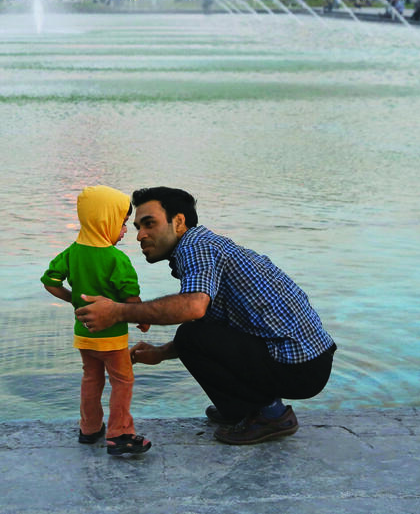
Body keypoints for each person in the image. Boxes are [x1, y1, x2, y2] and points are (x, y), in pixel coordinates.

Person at [75, 187, 336, 445]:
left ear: (179, 222)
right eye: (137, 227)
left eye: (149, 224)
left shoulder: (195, 247)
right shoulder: (206, 245)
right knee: (193, 335)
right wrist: (161, 353)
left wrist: (117, 312)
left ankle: (271, 414)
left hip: (298, 364)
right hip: (306, 360)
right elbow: (211, 324)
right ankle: (243, 410)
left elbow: (193, 307)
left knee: (190, 335)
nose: (140, 235)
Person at [41, 185, 152, 456]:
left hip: (84, 334)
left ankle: (89, 428)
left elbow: (50, 281)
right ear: (106, 221)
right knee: (122, 381)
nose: (124, 231)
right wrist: (142, 318)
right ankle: (120, 433)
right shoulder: (116, 259)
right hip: (112, 338)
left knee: (91, 378)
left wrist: (74, 300)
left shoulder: (72, 252)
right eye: (122, 223)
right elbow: (130, 296)